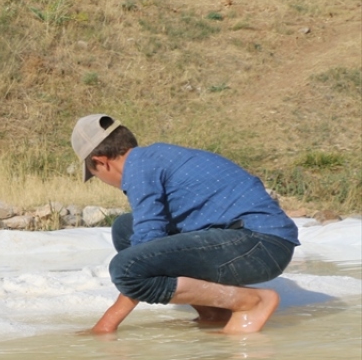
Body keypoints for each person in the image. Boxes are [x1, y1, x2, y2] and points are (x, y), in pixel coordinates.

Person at [71, 114, 299, 335]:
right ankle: (214, 313)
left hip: (258, 244)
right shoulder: (152, 158)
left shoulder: (138, 168)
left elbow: (144, 246)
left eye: (96, 174)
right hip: (255, 241)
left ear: (102, 162)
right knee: (125, 228)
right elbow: (145, 233)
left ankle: (251, 303)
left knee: (126, 269)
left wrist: (107, 324)